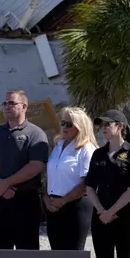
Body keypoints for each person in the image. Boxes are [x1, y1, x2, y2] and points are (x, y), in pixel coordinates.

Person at [0, 90, 49, 250]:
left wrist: (6, 183)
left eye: (12, 103)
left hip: (25, 200)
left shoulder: (35, 133)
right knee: (0, 250)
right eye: (5, 103)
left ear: (24, 107)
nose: (6, 106)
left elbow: (36, 165)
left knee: (27, 252)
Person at [86, 110, 130, 258]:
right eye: (101, 125)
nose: (103, 128)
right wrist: (102, 211)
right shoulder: (98, 154)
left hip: (125, 217)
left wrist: (111, 211)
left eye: (107, 124)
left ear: (119, 126)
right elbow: (89, 186)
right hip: (101, 217)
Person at [44, 106, 97, 250]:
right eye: (63, 123)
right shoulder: (58, 146)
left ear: (80, 127)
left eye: (69, 124)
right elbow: (51, 176)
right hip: (53, 206)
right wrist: (47, 198)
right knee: (56, 256)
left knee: (73, 256)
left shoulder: (87, 149)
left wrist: (64, 200)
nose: (64, 127)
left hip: (76, 206)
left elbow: (86, 183)